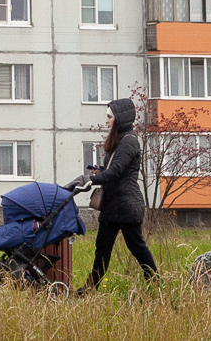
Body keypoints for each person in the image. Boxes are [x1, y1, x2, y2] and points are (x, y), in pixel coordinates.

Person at [76, 97, 158, 294]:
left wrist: (92, 180)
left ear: (120, 118)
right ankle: (90, 289)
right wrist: (100, 171)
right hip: (113, 205)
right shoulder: (120, 140)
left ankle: (156, 285)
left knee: (137, 247)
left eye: (109, 117)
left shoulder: (129, 142)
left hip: (126, 205)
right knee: (102, 249)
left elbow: (116, 172)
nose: (106, 121)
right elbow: (114, 170)